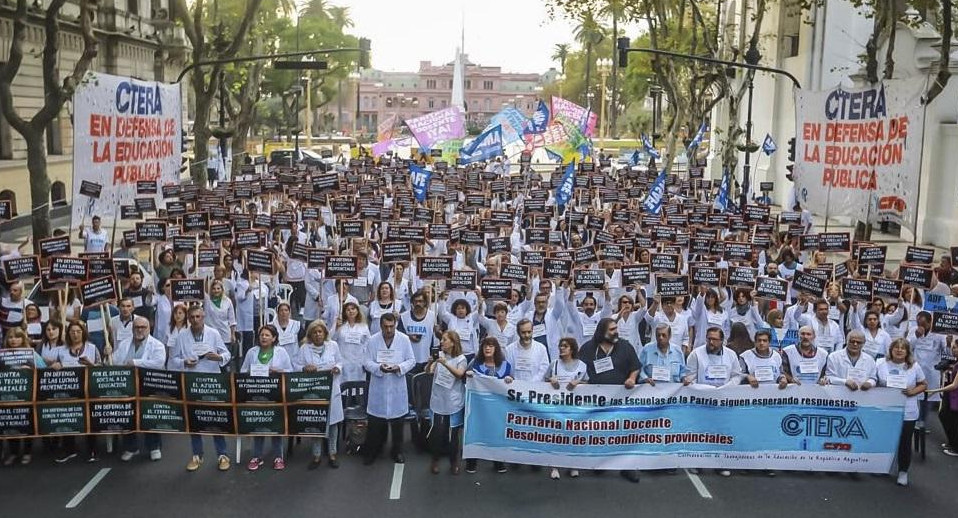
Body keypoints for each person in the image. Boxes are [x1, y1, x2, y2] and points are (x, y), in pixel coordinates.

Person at [170, 306, 232, 472]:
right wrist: (184, 362)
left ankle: (223, 454)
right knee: (194, 419)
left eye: (198, 317)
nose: (195, 320)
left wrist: (218, 357)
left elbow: (227, 354)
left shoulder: (213, 333)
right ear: (188, 319)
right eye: (192, 317)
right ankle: (197, 455)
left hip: (212, 381)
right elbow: (173, 359)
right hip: (192, 382)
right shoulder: (182, 336)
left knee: (215, 418)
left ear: (203, 317)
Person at [579, 318, 641, 483]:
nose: (615, 332)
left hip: (621, 399)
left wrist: (632, 378)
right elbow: (578, 370)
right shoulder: (588, 348)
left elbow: (635, 367)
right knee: (600, 432)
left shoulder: (625, 346)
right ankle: (601, 463)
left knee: (624, 434)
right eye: (612, 329)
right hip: (596, 400)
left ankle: (627, 468)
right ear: (602, 332)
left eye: (616, 328)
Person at [362, 312, 415, 465]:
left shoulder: (404, 340)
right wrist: (379, 368)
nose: (389, 330)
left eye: (391, 326)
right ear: (381, 326)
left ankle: (397, 451)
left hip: (397, 385)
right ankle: (373, 451)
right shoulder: (373, 340)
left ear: (395, 325)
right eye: (386, 327)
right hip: (379, 386)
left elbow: (411, 360)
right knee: (375, 424)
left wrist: (399, 367)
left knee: (398, 424)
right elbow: (366, 362)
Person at [113, 317, 167, 461]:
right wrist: (110, 356)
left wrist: (135, 363)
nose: (140, 330)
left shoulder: (157, 345)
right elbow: (116, 361)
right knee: (127, 415)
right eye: (137, 327)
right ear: (132, 329)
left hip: (148, 385)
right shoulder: (124, 344)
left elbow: (158, 363)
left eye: (143, 327)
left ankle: (154, 447)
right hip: (127, 385)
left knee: (149, 415)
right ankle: (131, 447)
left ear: (149, 329)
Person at [241, 324, 293, 471]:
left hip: (275, 394)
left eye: (267, 335)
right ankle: (257, 456)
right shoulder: (252, 352)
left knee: (275, 425)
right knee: (259, 423)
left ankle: (278, 456)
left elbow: (290, 371)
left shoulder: (281, 352)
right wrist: (251, 372)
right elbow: (243, 370)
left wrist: (278, 371)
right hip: (256, 394)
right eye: (262, 335)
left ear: (274, 338)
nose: (263, 337)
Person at [876, 338, 927, 486]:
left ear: (907, 352)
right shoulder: (880, 363)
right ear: (891, 350)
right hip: (885, 408)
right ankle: (881, 467)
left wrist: (913, 391)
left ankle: (903, 471)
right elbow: (873, 379)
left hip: (907, 410)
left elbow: (923, 384)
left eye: (902, 348)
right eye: (896, 348)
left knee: (904, 442)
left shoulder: (914, 366)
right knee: (884, 439)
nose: (899, 350)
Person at [296, 320, 344, 469]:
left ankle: (332, 453)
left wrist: (337, 367)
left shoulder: (333, 346)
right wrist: (304, 368)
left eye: (320, 332)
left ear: (325, 333)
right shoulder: (304, 348)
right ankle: (316, 455)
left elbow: (341, 362)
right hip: (314, 391)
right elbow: (295, 365)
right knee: (316, 422)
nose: (318, 335)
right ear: (310, 335)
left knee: (333, 423)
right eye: (315, 332)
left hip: (331, 388)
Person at [51, 321, 100, 463]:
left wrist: (91, 365)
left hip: (88, 388)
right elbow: (54, 366)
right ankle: (69, 449)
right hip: (67, 390)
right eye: (72, 332)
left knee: (89, 418)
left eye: (78, 331)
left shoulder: (92, 348)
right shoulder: (61, 350)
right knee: (68, 418)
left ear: (83, 332)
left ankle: (92, 450)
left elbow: (102, 368)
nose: (75, 334)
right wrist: (55, 366)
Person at [464, 337, 514, 474]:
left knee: (497, 433)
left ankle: (498, 461)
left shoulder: (505, 366)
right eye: (485, 346)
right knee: (475, 432)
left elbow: (512, 384)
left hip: (497, 408)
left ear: (496, 349)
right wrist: (468, 375)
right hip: (478, 407)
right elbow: (465, 379)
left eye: (491, 346)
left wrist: (510, 380)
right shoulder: (475, 363)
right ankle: (472, 461)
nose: (487, 348)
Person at [546, 336, 588, 480]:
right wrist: (551, 380)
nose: (562, 348)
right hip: (557, 405)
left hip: (574, 406)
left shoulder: (582, 366)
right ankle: (555, 466)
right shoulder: (554, 364)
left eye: (565, 346)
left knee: (573, 435)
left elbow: (590, 384)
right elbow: (544, 380)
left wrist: (579, 383)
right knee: (556, 435)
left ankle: (573, 464)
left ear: (572, 348)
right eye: (560, 346)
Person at [1, 327, 44, 466]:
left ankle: (27, 452)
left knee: (26, 423)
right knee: (10, 423)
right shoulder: (2, 355)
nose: (13, 340)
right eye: (11, 337)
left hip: (27, 396)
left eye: (17, 337)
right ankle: (13, 453)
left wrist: (30, 369)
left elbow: (43, 370)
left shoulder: (31, 354)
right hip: (7, 397)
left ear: (22, 338)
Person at [426, 331, 468, 475]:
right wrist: (431, 362)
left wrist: (445, 365)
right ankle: (435, 460)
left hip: (453, 402)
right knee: (437, 433)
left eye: (444, 340)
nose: (441, 342)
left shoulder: (461, 359)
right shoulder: (440, 356)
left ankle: (454, 462)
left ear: (452, 342)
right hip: (438, 399)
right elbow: (429, 372)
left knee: (453, 434)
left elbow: (459, 374)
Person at [929, 339, 958, 456]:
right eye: (953, 347)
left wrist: (935, 390)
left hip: (955, 395)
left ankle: (955, 447)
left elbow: (955, 385)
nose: (953, 350)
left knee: (951, 419)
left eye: (955, 347)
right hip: (952, 396)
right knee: (945, 416)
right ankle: (952, 442)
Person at [398, 290, 438, 370]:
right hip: (407, 359)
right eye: (415, 301)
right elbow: (399, 336)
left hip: (426, 359)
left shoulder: (432, 316)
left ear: (425, 302)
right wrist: (409, 337)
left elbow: (435, 339)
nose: (418, 304)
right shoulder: (404, 317)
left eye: (420, 301)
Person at [334, 301, 370, 382]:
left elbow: (368, 344)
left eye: (353, 309)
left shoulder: (364, 327)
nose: (351, 311)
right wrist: (336, 328)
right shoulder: (340, 326)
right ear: (344, 312)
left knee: (357, 386)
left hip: (358, 361)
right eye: (348, 310)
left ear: (357, 310)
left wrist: (365, 361)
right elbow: (332, 339)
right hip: (343, 360)